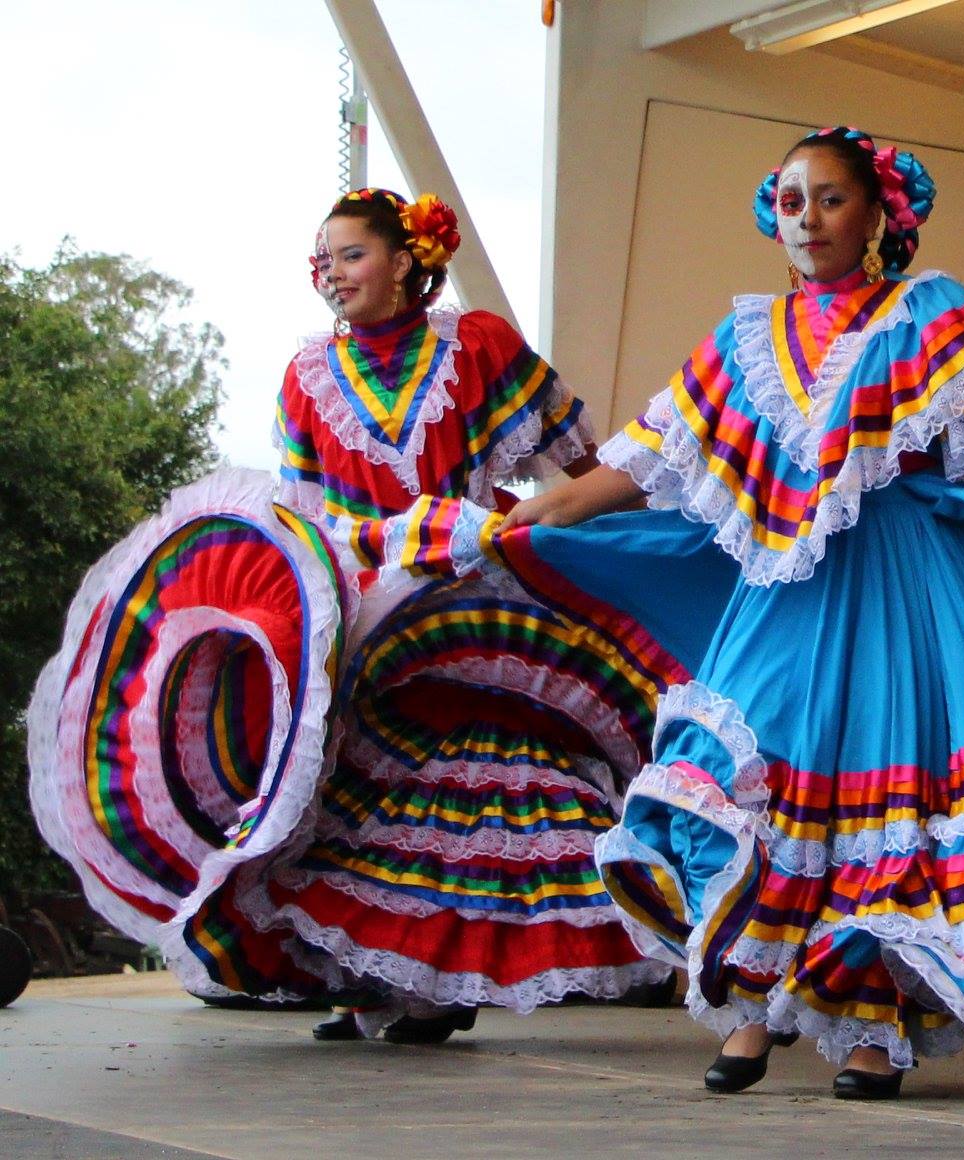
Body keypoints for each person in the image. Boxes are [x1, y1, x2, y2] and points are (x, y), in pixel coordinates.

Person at [390, 126, 964, 1097]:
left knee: (880, 807)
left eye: (831, 199)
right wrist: (506, 527)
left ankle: (867, 1028)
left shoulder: (931, 310)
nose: (807, 219)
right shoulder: (740, 342)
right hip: (780, 599)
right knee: (738, 776)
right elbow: (631, 468)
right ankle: (751, 1000)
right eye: (792, 200)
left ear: (880, 214)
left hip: (901, 587)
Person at [27, 188, 676, 1042]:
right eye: (323, 259)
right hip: (365, 594)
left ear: (406, 259)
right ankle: (363, 976)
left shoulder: (477, 345)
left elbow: (579, 463)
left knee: (461, 781)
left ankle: (438, 983)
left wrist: (620, 542)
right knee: (353, 788)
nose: (330, 274)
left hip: (468, 593)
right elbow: (299, 507)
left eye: (350, 255)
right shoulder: (306, 374)